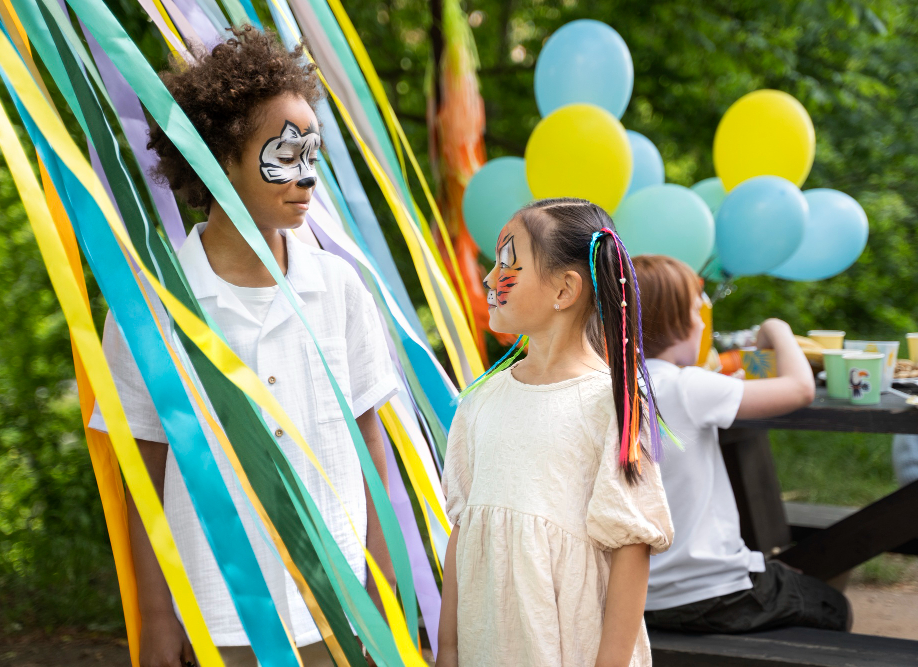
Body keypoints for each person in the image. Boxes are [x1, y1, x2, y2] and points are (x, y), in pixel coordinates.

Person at [88, 28, 399, 667]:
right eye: (284, 154)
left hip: (339, 610)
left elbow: (370, 441)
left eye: (313, 154)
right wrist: (156, 617)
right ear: (219, 158)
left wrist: (384, 585)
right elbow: (142, 474)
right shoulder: (150, 309)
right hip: (217, 617)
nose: (307, 177)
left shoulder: (341, 290)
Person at [437, 199, 674, 667]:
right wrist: (447, 650)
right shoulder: (480, 400)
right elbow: (464, 533)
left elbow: (631, 548)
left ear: (564, 289)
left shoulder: (611, 403)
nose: (489, 278)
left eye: (507, 264)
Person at [634, 254, 851, 634]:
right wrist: (777, 328)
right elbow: (800, 388)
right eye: (696, 312)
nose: (703, 322)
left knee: (776, 572)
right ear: (678, 322)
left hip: (632, 595)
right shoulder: (687, 387)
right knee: (834, 607)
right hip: (710, 594)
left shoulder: (605, 385)